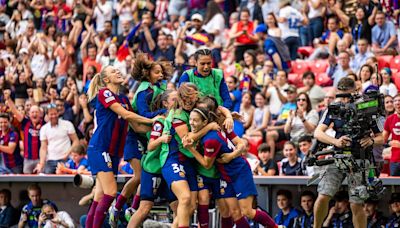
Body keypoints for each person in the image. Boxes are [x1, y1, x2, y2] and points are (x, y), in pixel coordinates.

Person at [84, 66, 155, 228]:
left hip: (114, 152)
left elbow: (136, 127)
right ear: (106, 79)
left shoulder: (123, 99)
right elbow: (126, 115)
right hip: (100, 148)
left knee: (100, 196)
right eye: (113, 71)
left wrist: (160, 126)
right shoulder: (105, 93)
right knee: (110, 193)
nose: (118, 72)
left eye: (118, 70)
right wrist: (152, 120)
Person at [109, 52, 173, 226]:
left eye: (161, 72)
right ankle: (117, 207)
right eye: (156, 72)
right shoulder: (144, 91)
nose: (160, 75)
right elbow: (144, 114)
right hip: (135, 135)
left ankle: (132, 208)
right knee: (138, 176)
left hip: (148, 135)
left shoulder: (159, 87)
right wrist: (162, 113)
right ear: (147, 74)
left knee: (143, 175)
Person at [186, 106, 277, 228]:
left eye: (195, 120)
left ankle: (276, 226)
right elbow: (188, 138)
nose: (191, 122)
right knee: (232, 212)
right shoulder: (215, 129)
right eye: (190, 119)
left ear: (205, 121)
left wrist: (231, 156)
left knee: (247, 211)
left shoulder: (212, 138)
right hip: (225, 176)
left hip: (239, 172)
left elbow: (207, 164)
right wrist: (228, 116)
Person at [313, 77, 384, 228]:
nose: (344, 100)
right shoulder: (334, 108)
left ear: (355, 91)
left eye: (348, 96)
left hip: (360, 159)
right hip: (337, 157)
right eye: (341, 96)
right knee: (323, 196)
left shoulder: (366, 108)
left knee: (356, 204)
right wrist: (335, 142)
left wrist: (371, 141)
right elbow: (318, 133)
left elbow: (381, 137)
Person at [127, 90, 178, 227]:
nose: (177, 102)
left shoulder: (180, 119)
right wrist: (161, 139)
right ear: (165, 103)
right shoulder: (160, 122)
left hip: (168, 170)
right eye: (174, 99)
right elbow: (150, 146)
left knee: (178, 207)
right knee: (145, 207)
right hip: (153, 168)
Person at [34, 104, 79, 174]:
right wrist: (41, 163)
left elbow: (76, 141)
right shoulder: (44, 128)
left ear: (58, 113)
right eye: (51, 114)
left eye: (55, 113)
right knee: (47, 178)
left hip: (66, 159)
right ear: (47, 115)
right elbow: (43, 148)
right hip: (50, 160)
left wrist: (68, 153)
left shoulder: (67, 124)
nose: (54, 116)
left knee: (66, 179)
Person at [383, 94, 400, 176]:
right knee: (395, 187)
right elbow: (383, 139)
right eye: (395, 101)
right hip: (395, 160)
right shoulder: (390, 119)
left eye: (399, 100)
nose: (397, 103)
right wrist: (389, 142)